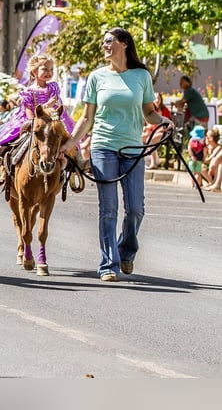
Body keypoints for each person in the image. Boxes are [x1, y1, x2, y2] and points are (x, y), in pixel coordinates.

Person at [58, 28, 173, 282]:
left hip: (132, 149)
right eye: (103, 42)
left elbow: (149, 113)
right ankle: (108, 264)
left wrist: (163, 121)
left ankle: (126, 251)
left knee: (135, 209)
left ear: (124, 43)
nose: (104, 46)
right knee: (108, 208)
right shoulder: (97, 77)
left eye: (109, 41)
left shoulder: (141, 76)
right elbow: (87, 118)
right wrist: (69, 143)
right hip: (103, 147)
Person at [0, 53, 76, 167]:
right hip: (33, 117)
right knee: (12, 133)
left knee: (68, 134)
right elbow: (28, 109)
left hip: (52, 118)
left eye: (51, 69)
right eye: (45, 69)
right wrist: (34, 120)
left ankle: (78, 159)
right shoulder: (29, 91)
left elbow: (54, 98)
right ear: (34, 72)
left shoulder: (52, 86)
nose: (49, 72)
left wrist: (46, 106)